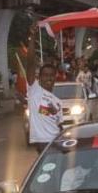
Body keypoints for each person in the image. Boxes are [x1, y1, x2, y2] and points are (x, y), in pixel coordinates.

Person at [26, 23, 63, 154]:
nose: (49, 78)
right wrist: (32, 37)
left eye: (51, 75)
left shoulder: (58, 102)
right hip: (43, 143)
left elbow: (59, 124)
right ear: (39, 78)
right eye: (45, 75)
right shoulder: (34, 90)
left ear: (55, 78)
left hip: (57, 141)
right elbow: (30, 63)